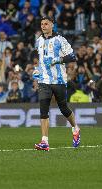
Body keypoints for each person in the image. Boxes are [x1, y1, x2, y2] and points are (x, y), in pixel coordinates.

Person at [33, 16, 80, 151]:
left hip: (58, 80)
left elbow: (72, 57)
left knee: (63, 108)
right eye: (42, 24)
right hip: (44, 80)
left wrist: (57, 60)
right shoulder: (39, 40)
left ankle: (75, 128)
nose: (43, 26)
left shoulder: (60, 39)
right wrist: (37, 70)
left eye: (46, 24)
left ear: (52, 25)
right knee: (43, 109)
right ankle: (44, 141)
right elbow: (40, 59)